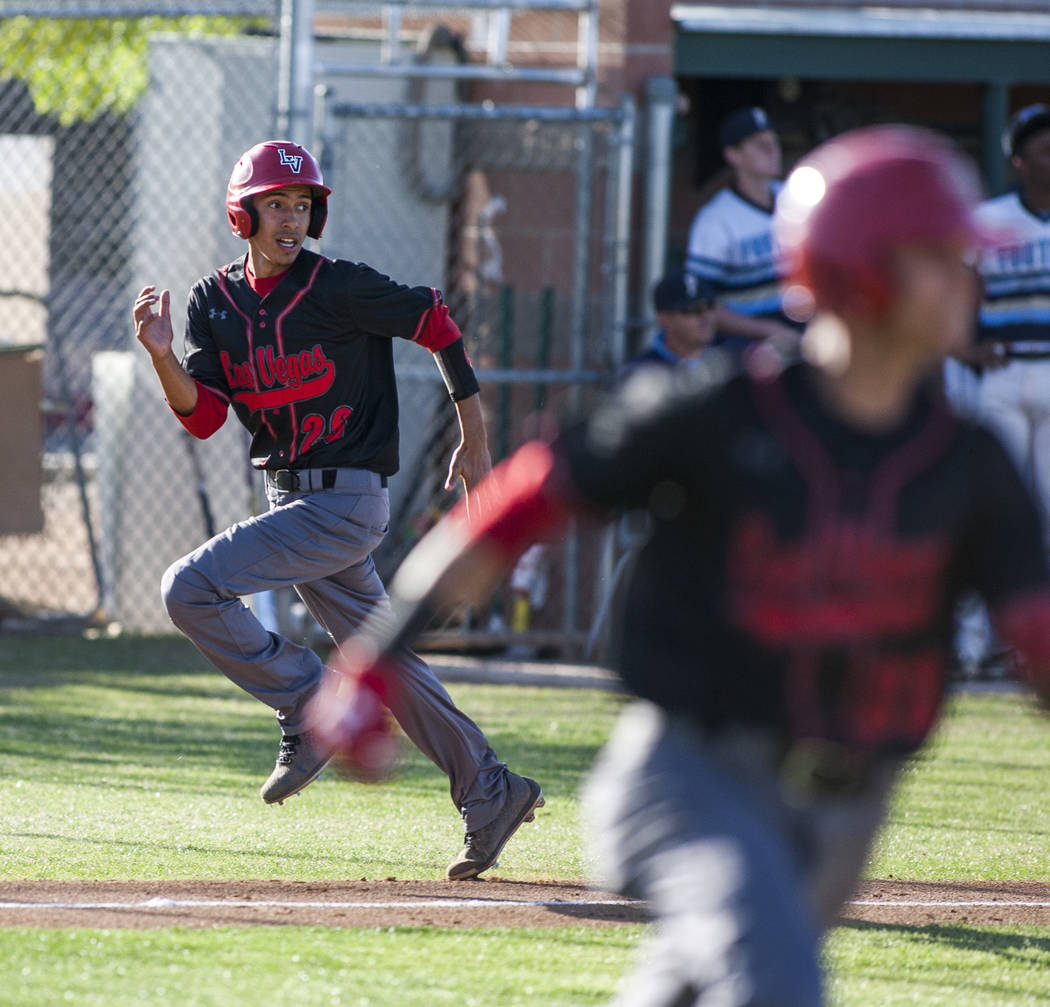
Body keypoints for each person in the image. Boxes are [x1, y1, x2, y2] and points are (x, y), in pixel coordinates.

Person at [306, 125, 1050, 1005]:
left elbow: (1035, 633)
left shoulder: (969, 461)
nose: (972, 277)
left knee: (699, 984)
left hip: (849, 803)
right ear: (863, 268)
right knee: (775, 980)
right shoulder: (723, 416)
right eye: (943, 256)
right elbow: (522, 506)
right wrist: (370, 665)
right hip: (691, 773)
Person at [131, 139, 543, 881]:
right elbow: (202, 417)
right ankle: (491, 789)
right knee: (383, 659)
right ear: (242, 213)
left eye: (300, 205)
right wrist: (162, 356)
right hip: (289, 496)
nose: (290, 219)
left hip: (347, 501)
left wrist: (475, 441)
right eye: (275, 205)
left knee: (188, 588)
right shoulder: (212, 303)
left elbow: (436, 324)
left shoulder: (337, 285)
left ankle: (306, 700)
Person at [946, 103, 1050, 678]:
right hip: (1004, 376)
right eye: (1043, 148)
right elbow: (953, 294)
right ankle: (971, 643)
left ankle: (1035, 649)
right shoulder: (990, 221)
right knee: (990, 509)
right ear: (1018, 159)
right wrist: (965, 350)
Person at [685, 106, 802, 361]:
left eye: (774, 143)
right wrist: (769, 330)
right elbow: (702, 305)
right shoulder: (715, 220)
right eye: (760, 145)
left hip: (803, 335)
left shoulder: (798, 199)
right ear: (733, 155)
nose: (773, 151)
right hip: (745, 348)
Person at [621, 269, 719, 377]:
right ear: (664, 319)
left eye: (710, 306)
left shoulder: (731, 359)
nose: (705, 316)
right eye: (694, 309)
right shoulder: (640, 373)